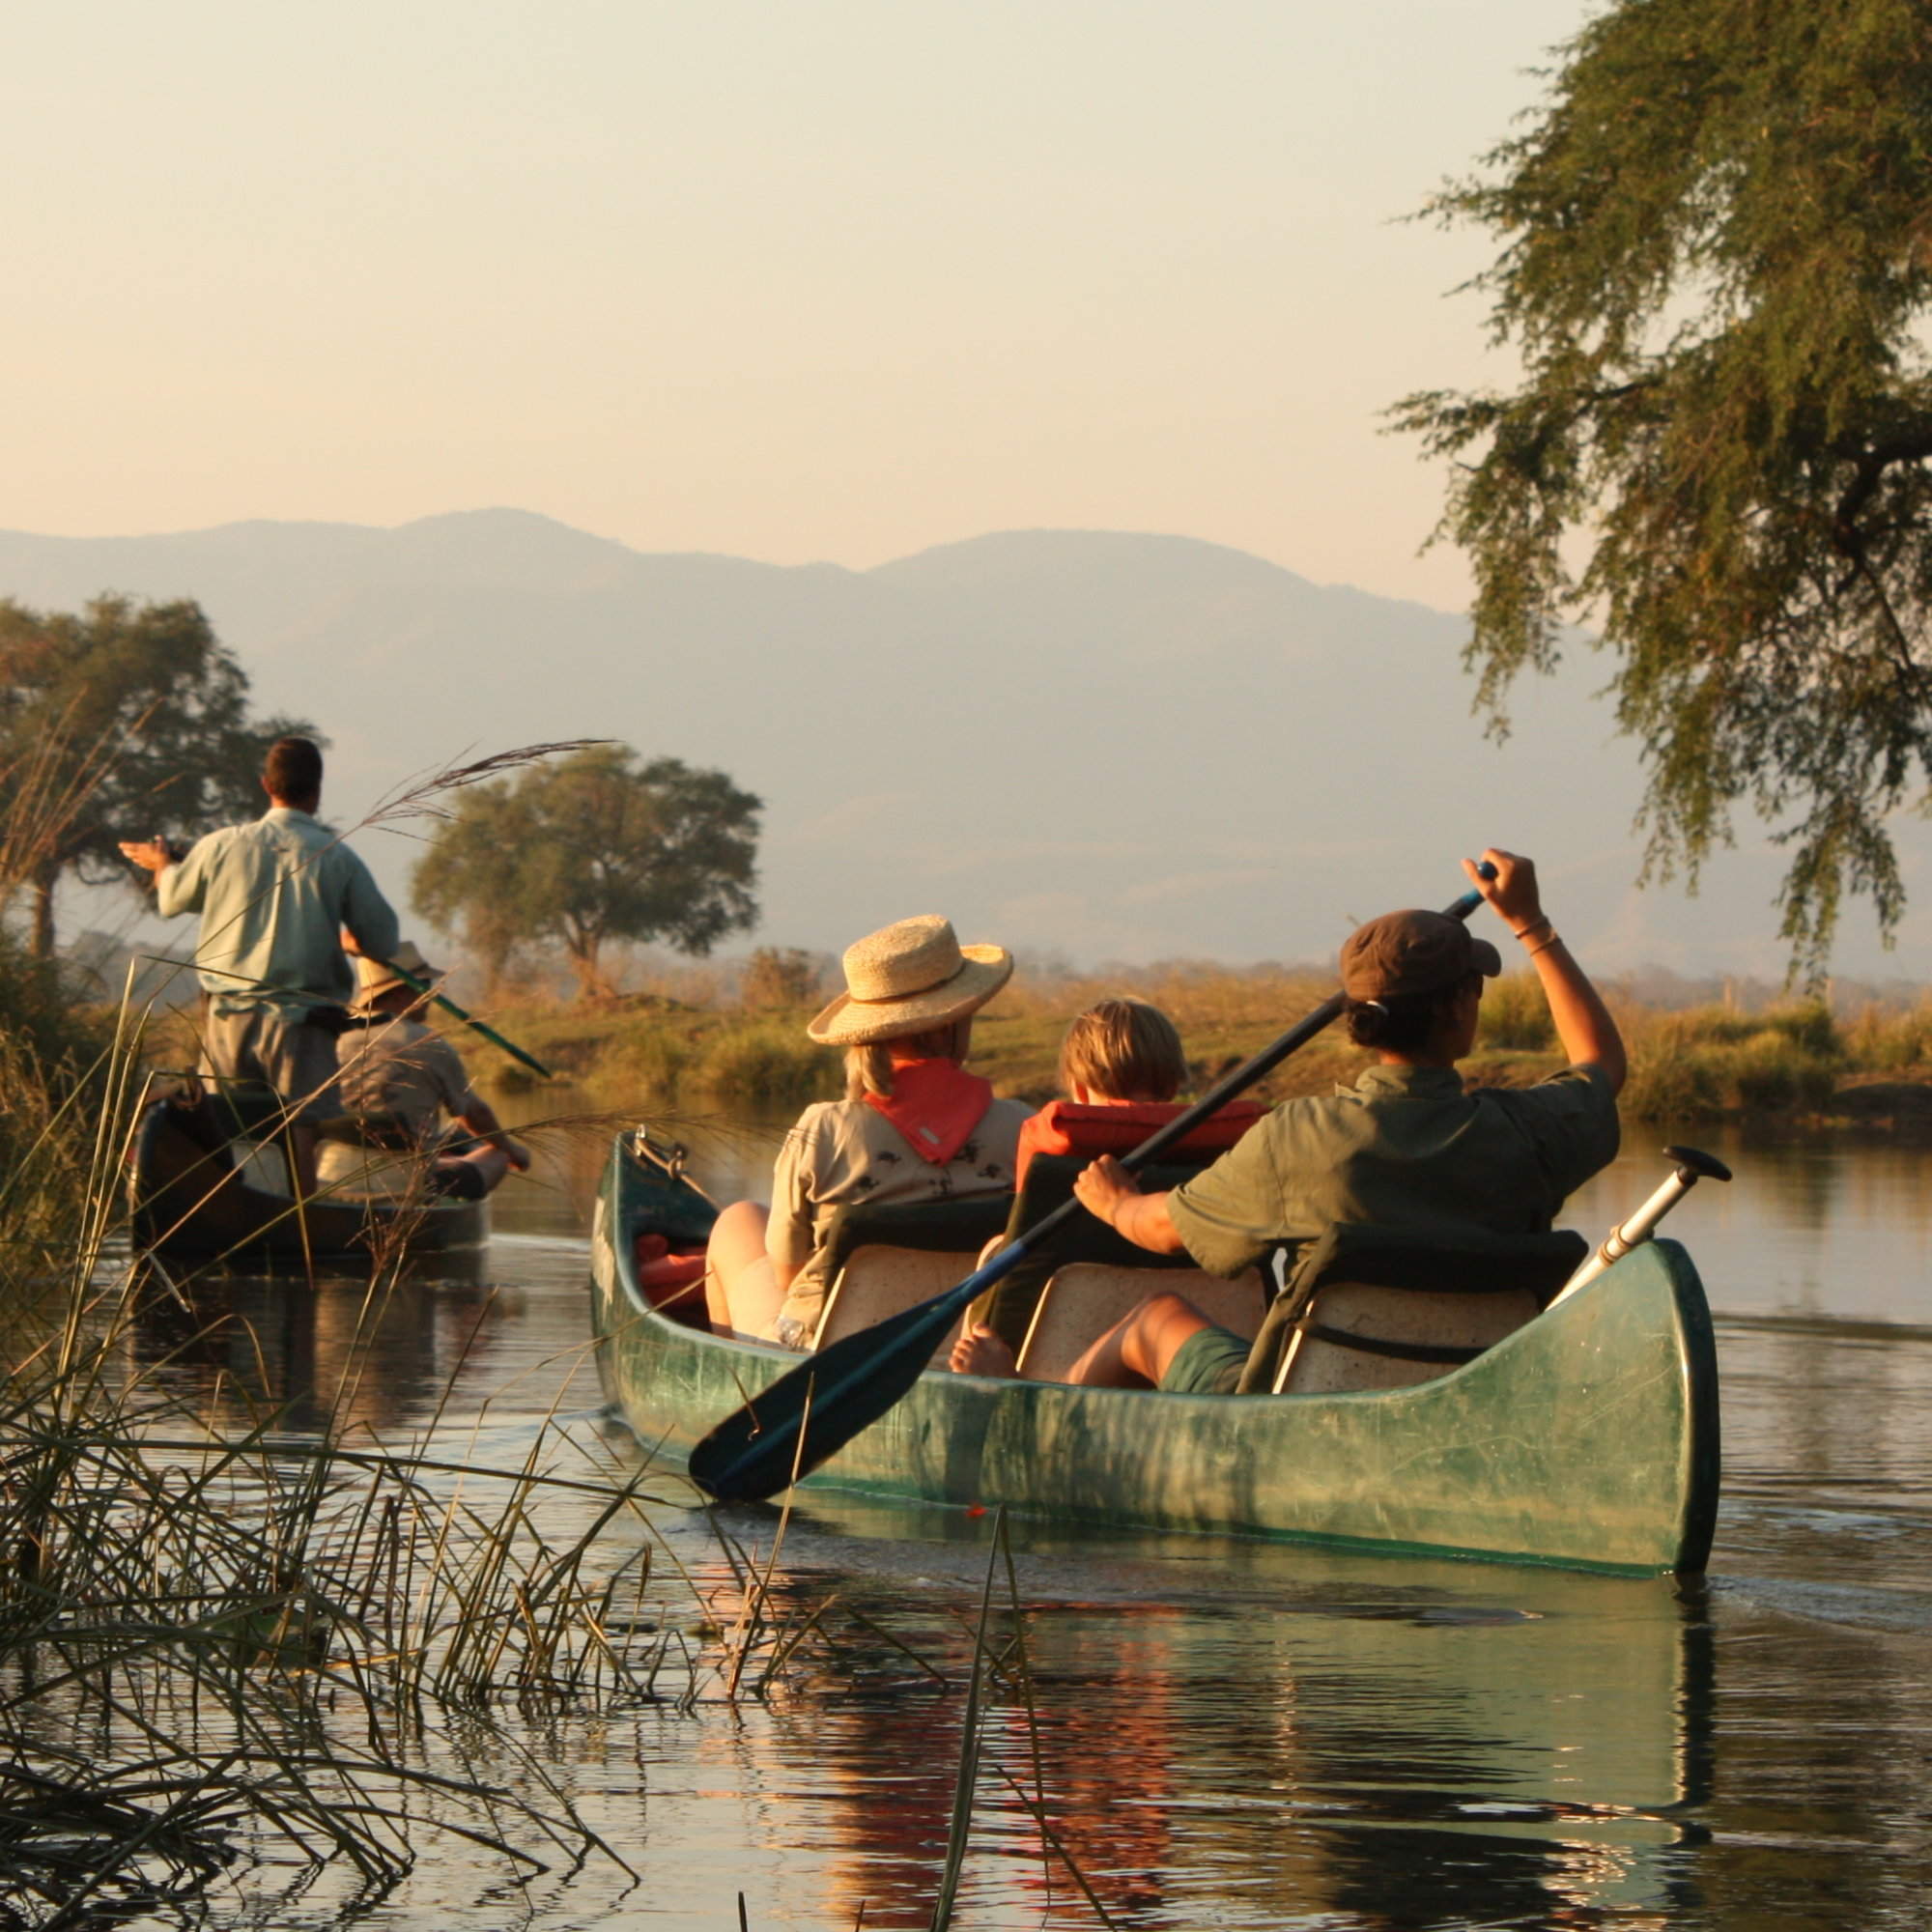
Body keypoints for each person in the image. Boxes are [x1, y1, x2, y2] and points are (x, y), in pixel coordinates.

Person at [950, 848, 1625, 1391]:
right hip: (1475, 1388)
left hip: (1304, 1403)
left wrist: (1117, 1202)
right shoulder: (1528, 1131)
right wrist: (1532, 924)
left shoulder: (1297, 1137)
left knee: (1153, 1320)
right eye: (1474, 988)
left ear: (1359, 1020)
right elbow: (1600, 1064)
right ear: (1456, 1011)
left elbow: (1160, 1232)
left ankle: (1030, 1408)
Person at [703, 914, 1032, 1347]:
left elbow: (787, 1273)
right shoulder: (1023, 1126)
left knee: (737, 1221)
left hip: (827, 1347)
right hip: (969, 1346)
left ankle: (732, 1382)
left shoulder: (822, 1129)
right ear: (953, 1023)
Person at [118, 735, 399, 1195]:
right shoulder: (338, 857)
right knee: (301, 1126)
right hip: (304, 1024)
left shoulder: (220, 845)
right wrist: (352, 939)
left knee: (225, 1123)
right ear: (318, 790)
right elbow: (383, 941)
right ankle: (300, 1225)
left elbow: (171, 899)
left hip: (228, 1019)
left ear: (266, 785)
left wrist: (162, 864)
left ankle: (229, 1211)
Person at [952, 996, 1267, 1365]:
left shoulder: (1054, 1143)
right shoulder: (1232, 1140)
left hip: (1052, 1354)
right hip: (1209, 1338)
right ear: (1172, 1082)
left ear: (1079, 1088)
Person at [330, 942, 531, 1200]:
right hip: (412, 1183)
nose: (430, 996)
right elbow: (475, 1115)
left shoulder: (334, 1039)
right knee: (497, 1154)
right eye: (424, 986)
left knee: (450, 1138)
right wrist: (513, 1151)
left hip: (332, 1177)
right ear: (400, 994)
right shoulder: (430, 1044)